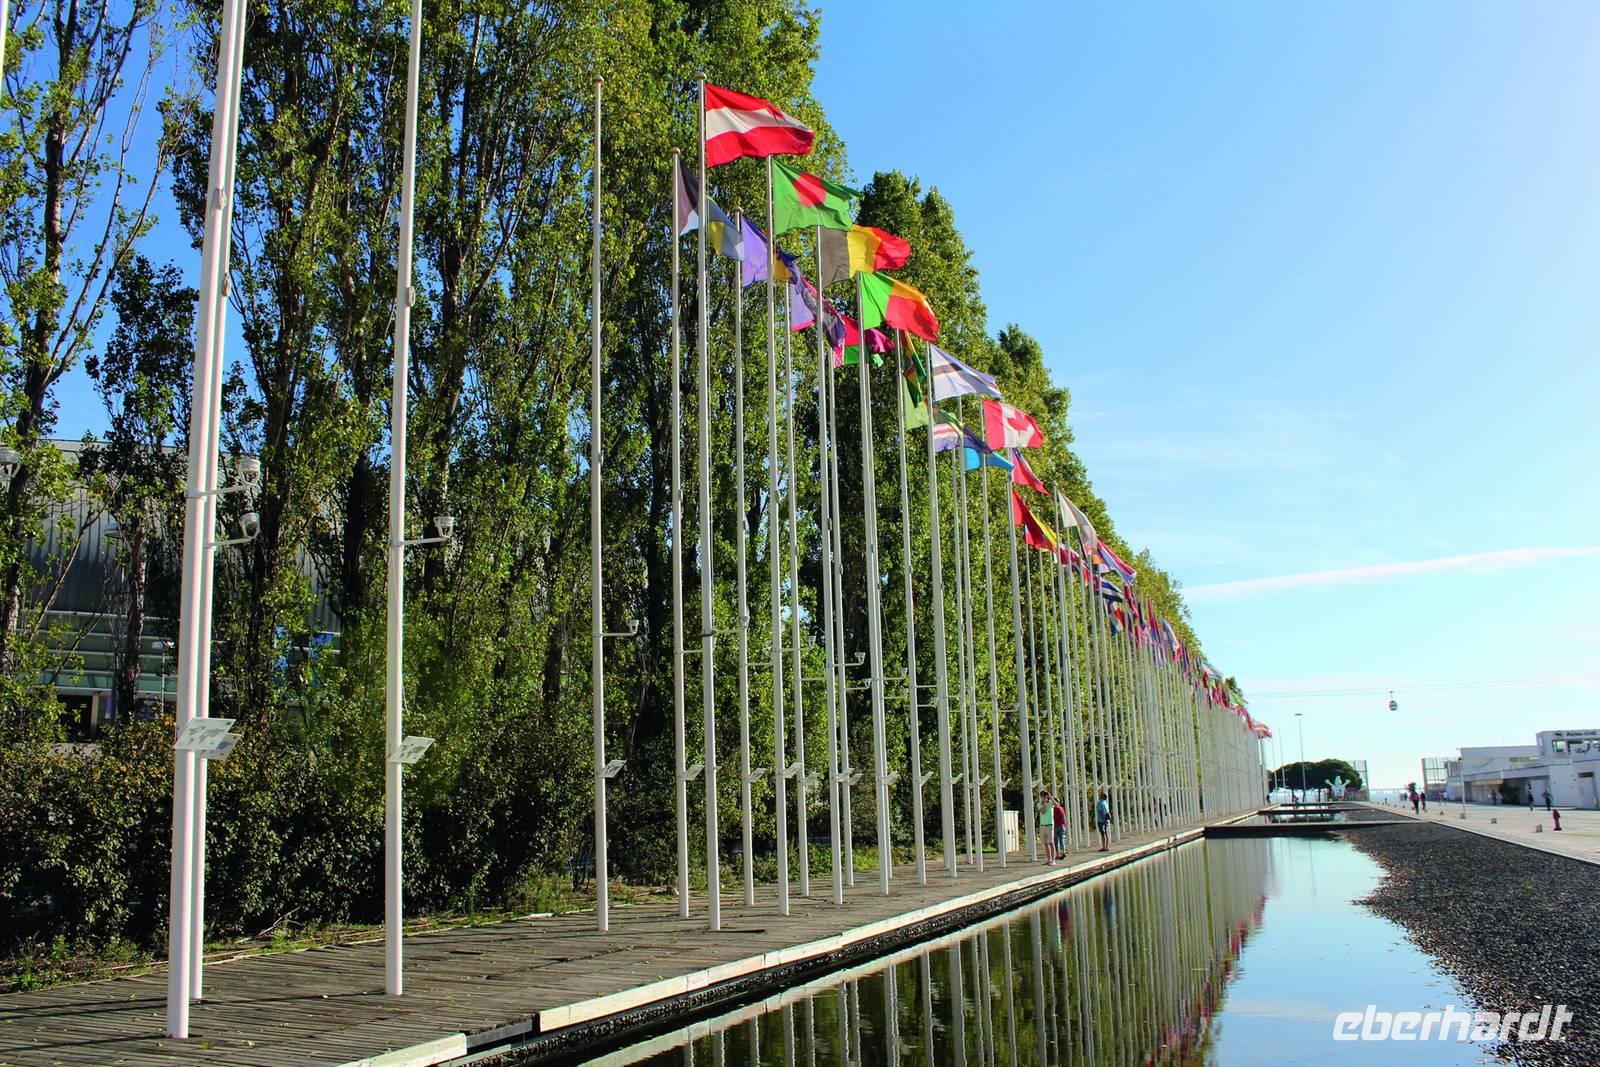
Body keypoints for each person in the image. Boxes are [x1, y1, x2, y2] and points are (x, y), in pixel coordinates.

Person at [1037, 788, 1056, 865]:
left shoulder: (1051, 803)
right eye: (1042, 796)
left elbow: (1057, 804)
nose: (1043, 797)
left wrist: (1050, 797)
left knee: (1051, 842)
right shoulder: (1039, 804)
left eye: (1044, 796)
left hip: (1049, 825)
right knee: (1045, 843)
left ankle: (1053, 860)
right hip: (1043, 825)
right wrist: (1044, 803)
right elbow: (1043, 811)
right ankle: (1049, 859)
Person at [1053, 793, 1068, 859]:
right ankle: (1063, 852)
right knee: (1061, 840)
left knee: (1056, 841)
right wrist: (1064, 824)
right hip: (1062, 825)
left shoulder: (1053, 809)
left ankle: (1057, 854)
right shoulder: (1061, 808)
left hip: (1055, 826)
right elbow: (1064, 817)